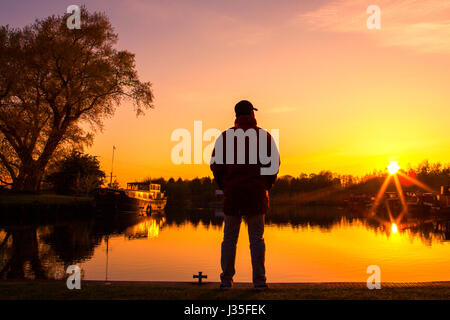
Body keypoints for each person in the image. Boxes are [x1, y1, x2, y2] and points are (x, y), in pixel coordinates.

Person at [210, 100, 279, 290]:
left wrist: (225, 186)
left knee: (229, 238)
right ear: (252, 114)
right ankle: (259, 282)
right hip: (256, 194)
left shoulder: (225, 137)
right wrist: (266, 186)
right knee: (257, 239)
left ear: (236, 116)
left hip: (233, 194)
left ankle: (226, 281)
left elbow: (216, 166)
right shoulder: (264, 137)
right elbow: (274, 165)